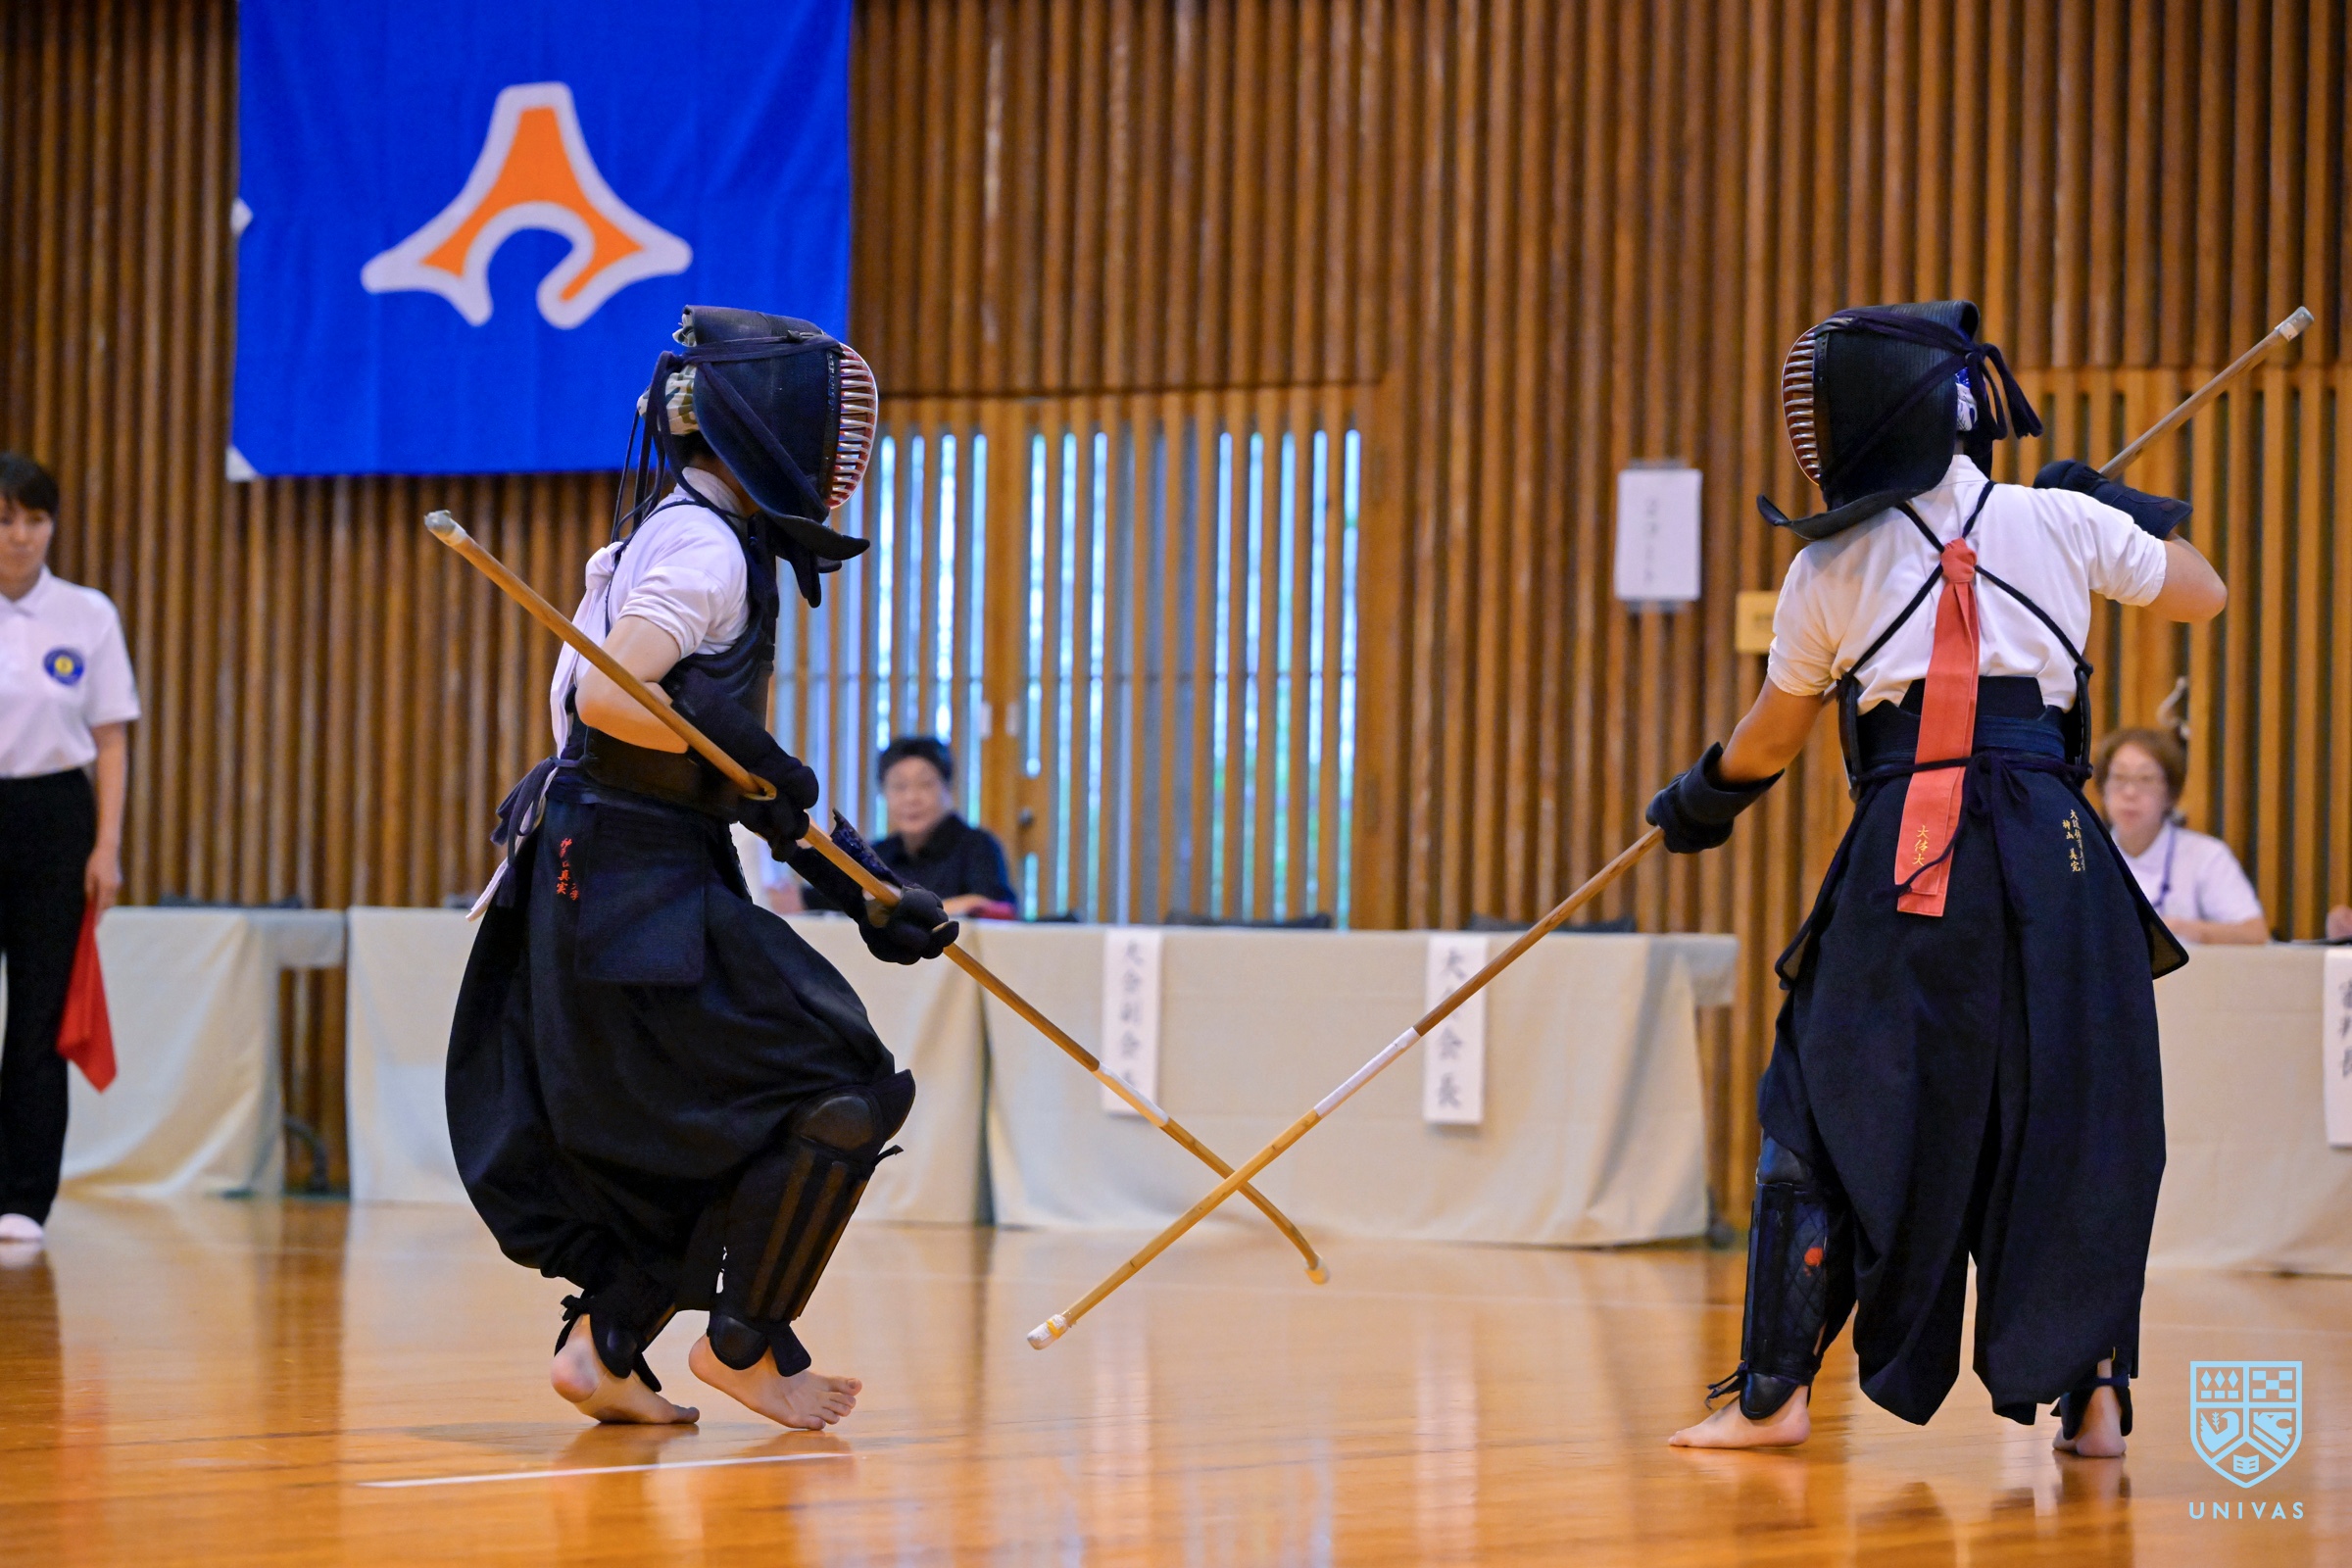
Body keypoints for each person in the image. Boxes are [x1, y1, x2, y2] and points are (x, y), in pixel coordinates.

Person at [1644, 303, 2227, 1460]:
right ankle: (2098, 1399)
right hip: (2059, 859)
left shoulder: (1830, 564)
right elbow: (2201, 591)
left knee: (1818, 1098)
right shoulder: (2060, 520)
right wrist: (2112, 510)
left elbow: (1770, 740)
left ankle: (1772, 1394)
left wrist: (1696, 800)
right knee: (2073, 1107)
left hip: (1911, 857)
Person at [445, 307, 958, 1431]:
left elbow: (719, 765)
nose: (835, 452)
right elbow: (609, 695)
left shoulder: (682, 529)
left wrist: (863, 885)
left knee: (690, 1123)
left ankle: (604, 1343)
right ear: (765, 422)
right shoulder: (705, 545)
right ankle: (746, 1342)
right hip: (630, 885)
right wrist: (771, 779)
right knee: (841, 1083)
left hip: (607, 875)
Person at [0, 454, 139, 1249]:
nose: (20, 536)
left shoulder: (87, 614)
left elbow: (111, 739)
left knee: (39, 1013)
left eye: (35, 519)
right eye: (4, 520)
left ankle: (23, 1196)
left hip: (55, 817)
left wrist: (105, 847)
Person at [799, 737, 1016, 919]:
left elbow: (991, 906)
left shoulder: (978, 845)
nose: (911, 798)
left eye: (925, 784)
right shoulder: (880, 852)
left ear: (948, 788)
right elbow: (832, 899)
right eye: (899, 786)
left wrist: (900, 904)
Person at [2091, 728, 2266, 944]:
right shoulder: (2084, 856)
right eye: (2119, 777)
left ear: (2170, 794)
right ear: (2103, 788)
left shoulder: (2205, 856)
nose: (2130, 793)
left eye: (2146, 779)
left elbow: (2254, 934)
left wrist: (2180, 929)